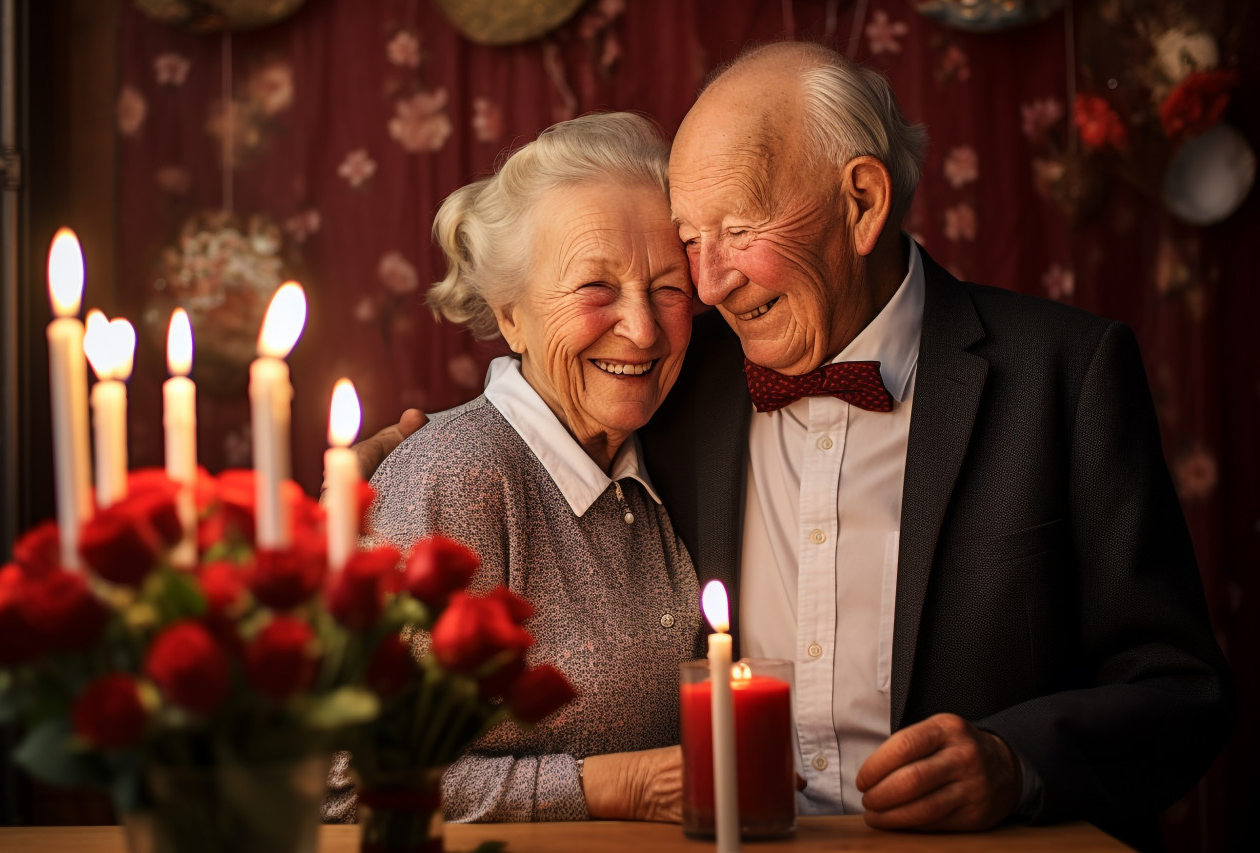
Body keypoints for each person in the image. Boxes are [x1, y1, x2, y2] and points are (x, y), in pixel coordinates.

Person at [358, 43, 1233, 849]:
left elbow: (1179, 689)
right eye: (690, 243)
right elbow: (540, 397)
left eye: (736, 232)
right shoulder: (671, 372)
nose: (705, 286)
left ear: (861, 201)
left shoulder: (1064, 374)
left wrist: (1018, 761)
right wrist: (385, 481)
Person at [353, 111, 699, 824]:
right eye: (594, 288)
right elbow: (352, 777)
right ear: (510, 314)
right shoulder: (456, 475)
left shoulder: (656, 456)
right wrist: (618, 786)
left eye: (669, 287)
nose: (642, 328)